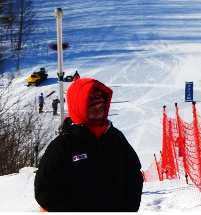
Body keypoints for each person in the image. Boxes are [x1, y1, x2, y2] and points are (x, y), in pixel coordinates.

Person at [33, 76, 143, 213]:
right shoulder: (64, 145)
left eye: (101, 107)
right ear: (79, 109)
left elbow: (134, 175)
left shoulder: (115, 138)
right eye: (92, 109)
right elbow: (45, 191)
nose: (98, 113)